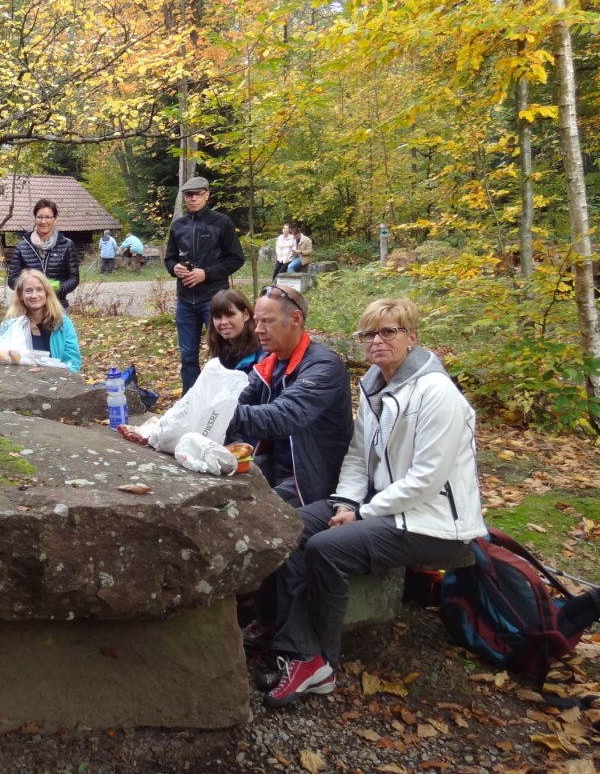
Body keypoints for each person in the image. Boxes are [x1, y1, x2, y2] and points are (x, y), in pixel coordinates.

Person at [260, 298, 487, 707]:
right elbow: (357, 454)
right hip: (382, 507)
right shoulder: (374, 385)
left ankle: (321, 663)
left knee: (326, 549)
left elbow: (426, 481)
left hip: (434, 522)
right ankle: (295, 650)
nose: (377, 340)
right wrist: (346, 503)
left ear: (412, 337)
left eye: (389, 331)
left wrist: (363, 512)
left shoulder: (437, 393)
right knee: (291, 525)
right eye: (369, 333)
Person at [226, 283, 354, 652]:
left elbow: (285, 417)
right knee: (221, 494)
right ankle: (252, 609)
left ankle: (272, 624)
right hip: (275, 467)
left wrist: (215, 410)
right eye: (258, 322)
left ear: (295, 320)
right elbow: (240, 403)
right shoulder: (269, 363)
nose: (258, 330)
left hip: (313, 479)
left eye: (267, 322)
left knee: (264, 519)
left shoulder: (324, 365)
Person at [164, 176, 245, 392]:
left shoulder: (222, 222)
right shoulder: (178, 226)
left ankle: (224, 396)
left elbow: (236, 259)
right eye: (188, 195)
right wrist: (174, 269)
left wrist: (206, 273)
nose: (192, 199)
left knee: (222, 350)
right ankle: (190, 399)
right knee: (188, 355)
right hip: (185, 299)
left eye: (197, 194)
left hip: (214, 299)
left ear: (207, 195)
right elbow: (169, 259)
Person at [0, 269, 82, 372]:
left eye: (39, 289)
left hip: (58, 382)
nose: (34, 295)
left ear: (47, 293)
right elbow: (1, 361)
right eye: (28, 291)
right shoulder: (9, 326)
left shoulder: (63, 324)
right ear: (20, 295)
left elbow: (72, 362)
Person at [6, 199, 80, 308]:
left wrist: (53, 290)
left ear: (55, 219)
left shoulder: (67, 245)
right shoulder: (22, 247)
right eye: (39, 217)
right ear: (35, 218)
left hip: (58, 306)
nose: (43, 221)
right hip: (29, 307)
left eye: (48, 217)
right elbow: (12, 280)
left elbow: (74, 278)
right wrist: (31, 290)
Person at [205, 288, 263, 372]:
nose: (223, 322)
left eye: (230, 315)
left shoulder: (262, 351)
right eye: (218, 317)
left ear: (246, 315)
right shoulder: (219, 349)